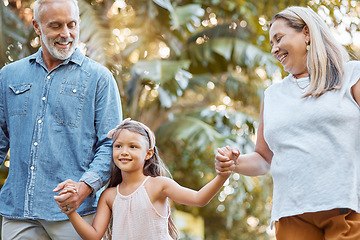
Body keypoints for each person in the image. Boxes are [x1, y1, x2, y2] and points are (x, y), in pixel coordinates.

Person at [215, 6, 360, 240]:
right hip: (292, 214)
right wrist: (235, 162)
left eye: (279, 38)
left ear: (306, 33)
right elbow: (264, 159)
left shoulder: (351, 75)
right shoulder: (273, 95)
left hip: (348, 207)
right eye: (271, 44)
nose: (274, 49)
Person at [0, 0, 122, 238]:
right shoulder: (8, 76)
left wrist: (84, 188)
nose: (65, 34)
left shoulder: (99, 78)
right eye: (55, 26)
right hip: (18, 211)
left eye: (71, 25)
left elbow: (111, 144)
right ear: (37, 26)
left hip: (76, 213)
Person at [55, 118, 235, 240]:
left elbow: (199, 199)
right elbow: (94, 236)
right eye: (118, 146)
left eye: (133, 146)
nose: (124, 152)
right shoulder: (109, 196)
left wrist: (222, 176)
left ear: (148, 153)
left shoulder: (158, 185)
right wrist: (70, 211)